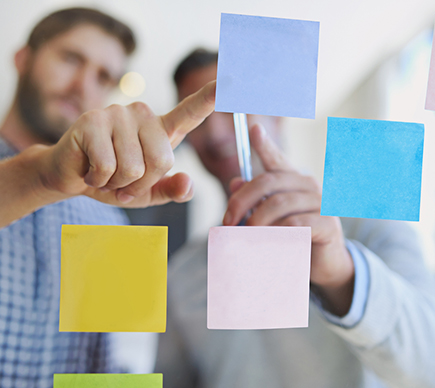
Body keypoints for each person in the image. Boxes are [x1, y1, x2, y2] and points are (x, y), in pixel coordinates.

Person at [154, 48, 435, 388]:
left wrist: (342, 273)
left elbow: (428, 363)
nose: (214, 133)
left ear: (278, 113)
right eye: (197, 116)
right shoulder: (183, 272)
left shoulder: (369, 215)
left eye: (231, 108)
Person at [0, 10, 215, 387]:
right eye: (70, 58)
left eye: (103, 76)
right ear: (23, 58)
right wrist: (39, 176)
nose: (82, 85)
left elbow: (115, 372)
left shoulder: (112, 218)